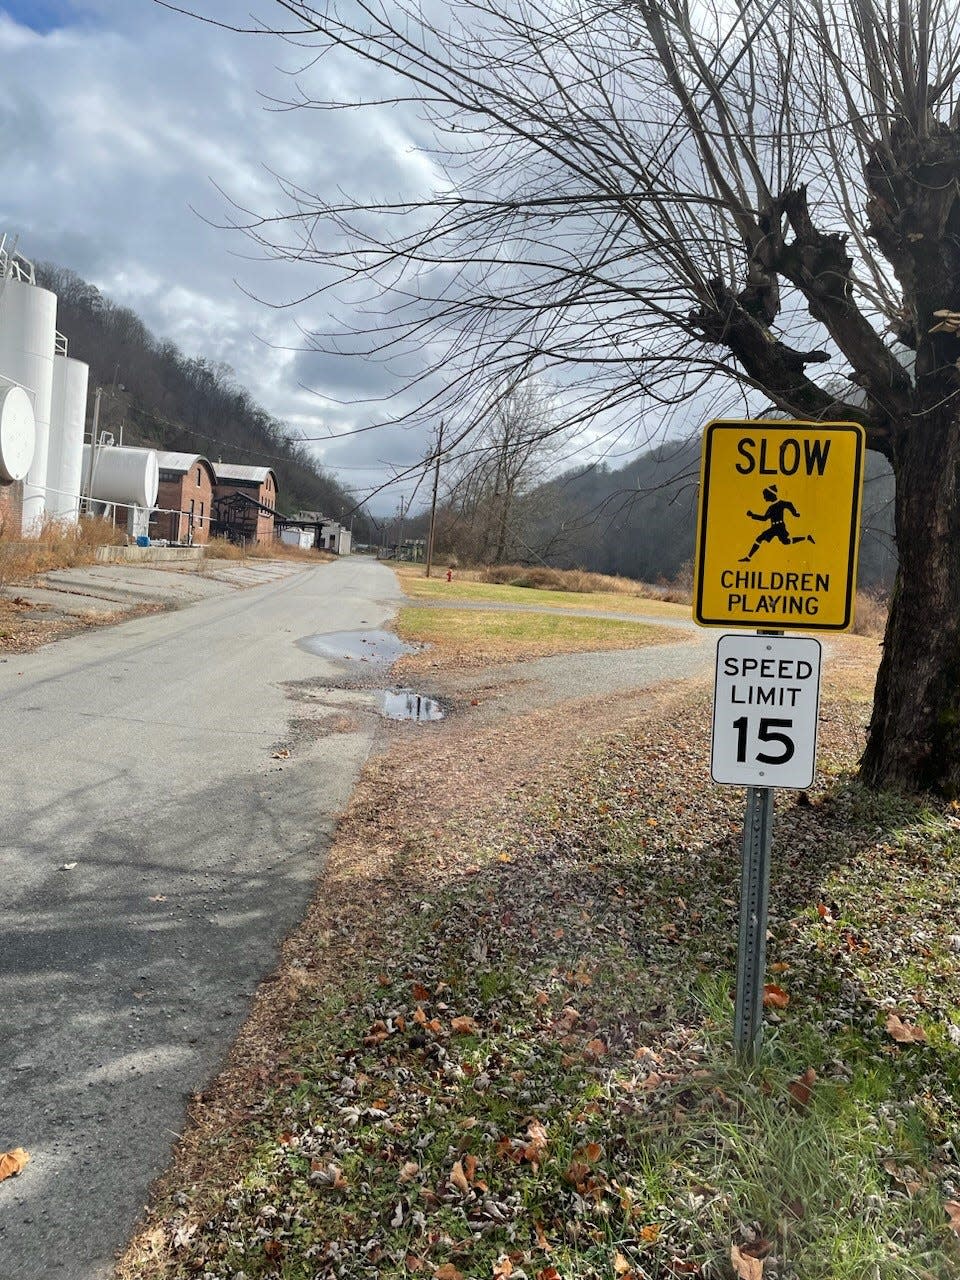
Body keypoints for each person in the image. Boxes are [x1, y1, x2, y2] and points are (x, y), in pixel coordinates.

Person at [739, 484, 815, 562]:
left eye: (765, 496)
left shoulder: (781, 503)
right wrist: (753, 515)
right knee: (760, 538)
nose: (764, 498)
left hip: (780, 527)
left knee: (786, 541)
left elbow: (789, 504)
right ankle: (748, 558)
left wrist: (794, 513)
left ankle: (806, 538)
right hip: (773, 528)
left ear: (771, 495)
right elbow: (764, 518)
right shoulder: (770, 507)